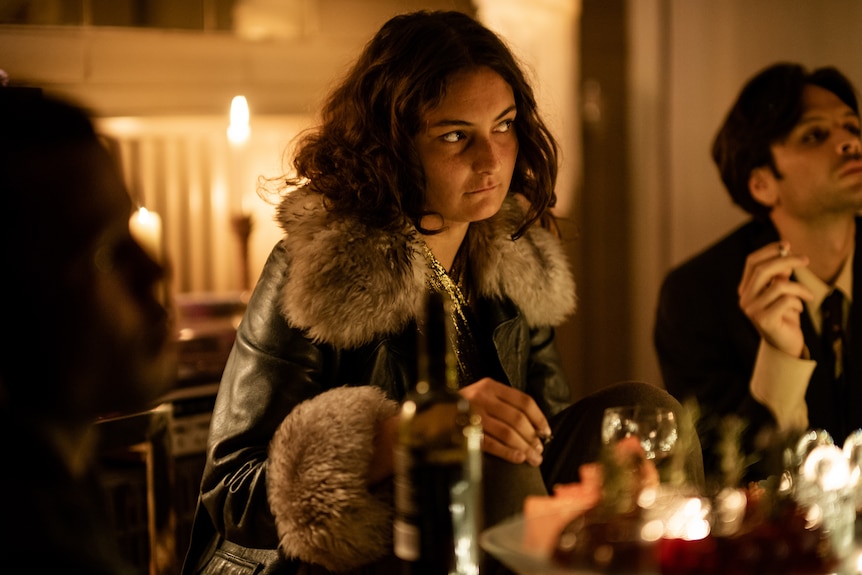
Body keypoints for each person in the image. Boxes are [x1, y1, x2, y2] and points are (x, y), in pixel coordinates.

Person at [182, 10, 703, 575]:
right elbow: (230, 490)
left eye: (503, 126)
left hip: (477, 538)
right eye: (455, 135)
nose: (490, 160)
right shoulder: (318, 266)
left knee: (650, 417)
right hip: (343, 560)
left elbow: (543, 448)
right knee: (480, 456)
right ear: (392, 145)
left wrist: (612, 478)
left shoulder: (512, 258)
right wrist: (406, 435)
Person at [654, 62, 862, 484]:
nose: (849, 144)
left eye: (852, 128)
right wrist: (780, 357)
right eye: (815, 134)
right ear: (762, 184)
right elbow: (723, 470)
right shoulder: (697, 294)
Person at [0, 90, 177, 571]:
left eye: (133, 235)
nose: (155, 269)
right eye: (106, 251)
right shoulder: (39, 545)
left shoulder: (65, 486)